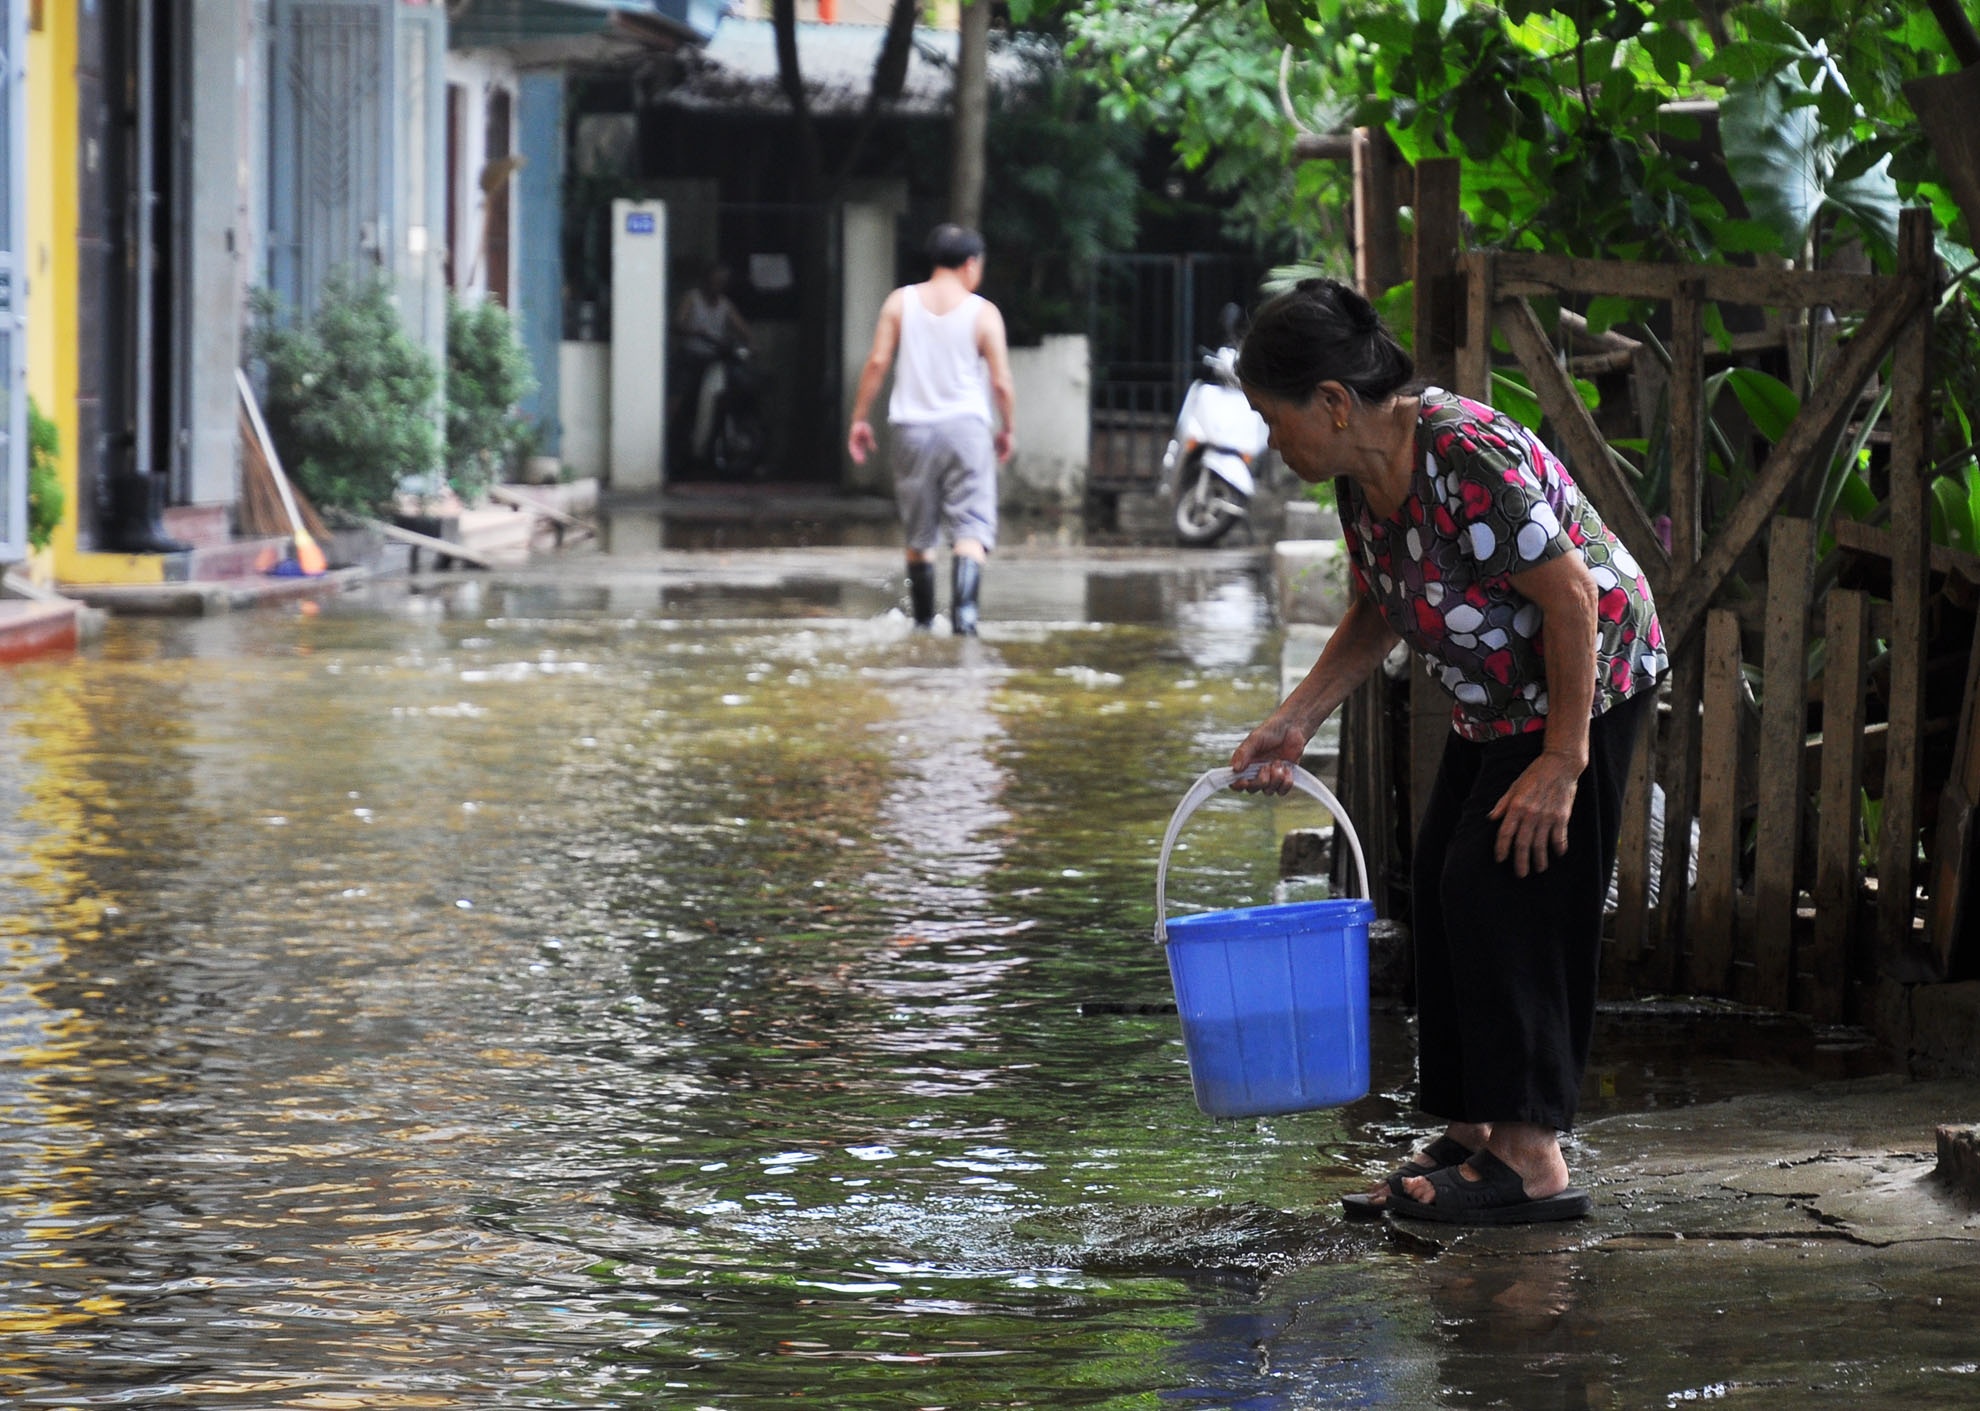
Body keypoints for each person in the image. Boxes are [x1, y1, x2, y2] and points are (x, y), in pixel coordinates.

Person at [1228, 278, 1668, 1225]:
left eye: (1271, 418)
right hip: (1496, 700)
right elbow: (1381, 604)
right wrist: (1297, 717)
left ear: (1332, 402)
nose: (1271, 441)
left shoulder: (1464, 451)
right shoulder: (1361, 481)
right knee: (1437, 879)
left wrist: (1564, 761)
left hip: (1586, 680)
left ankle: (1532, 1157)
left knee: (1504, 884)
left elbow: (1572, 598)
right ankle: (1475, 1130)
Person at [847, 224, 1016, 635]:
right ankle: (965, 622)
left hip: (912, 430)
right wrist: (1007, 427)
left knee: (920, 534)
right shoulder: (983, 313)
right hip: (966, 429)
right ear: (971, 264)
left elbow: (877, 363)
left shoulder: (899, 302)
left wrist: (860, 418)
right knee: (971, 529)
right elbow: (1000, 383)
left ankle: (923, 626)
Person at [671, 262, 752, 466]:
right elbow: (678, 323)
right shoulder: (692, 298)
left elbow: (742, 328)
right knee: (679, 398)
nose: (718, 286)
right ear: (706, 281)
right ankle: (671, 438)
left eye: (722, 282)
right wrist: (695, 332)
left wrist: (751, 343)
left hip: (713, 359)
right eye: (715, 281)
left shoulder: (725, 304)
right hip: (690, 358)